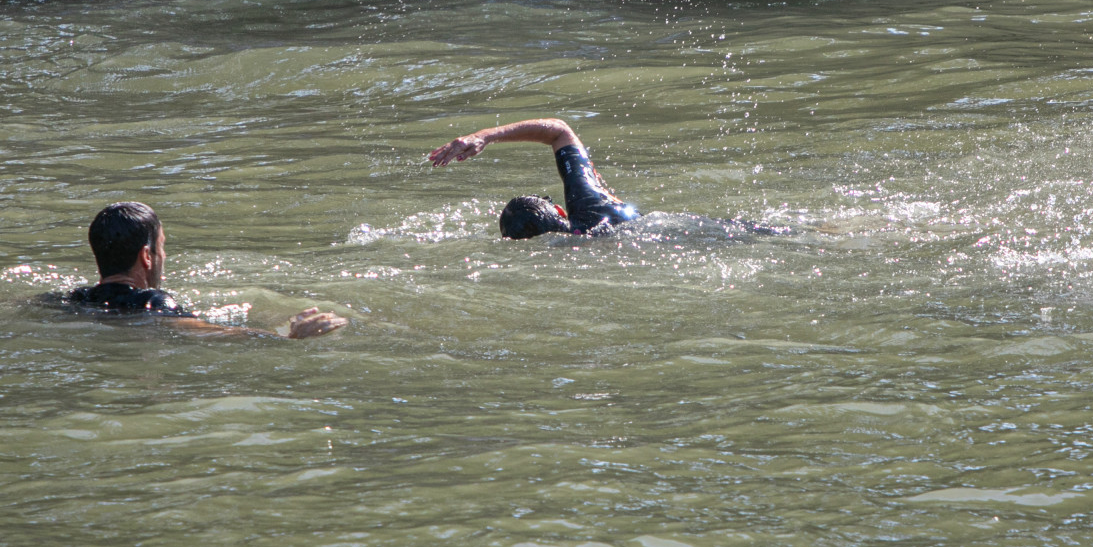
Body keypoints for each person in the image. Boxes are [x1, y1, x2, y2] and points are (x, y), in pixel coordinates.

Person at [427, 116, 792, 240]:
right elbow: (558, 131)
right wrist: (485, 136)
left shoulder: (572, 249)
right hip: (714, 234)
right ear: (558, 208)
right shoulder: (589, 205)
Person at [61, 201, 348, 337]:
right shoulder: (153, 302)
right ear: (146, 256)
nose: (165, 254)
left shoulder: (75, 300)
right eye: (162, 246)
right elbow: (202, 331)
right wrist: (288, 336)